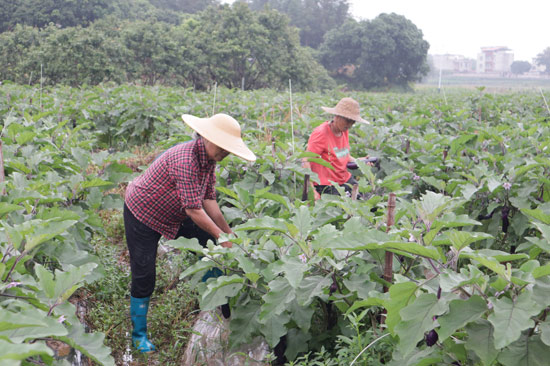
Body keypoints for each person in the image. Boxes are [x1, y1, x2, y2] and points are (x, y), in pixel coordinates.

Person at [123, 113, 256, 353]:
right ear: (205, 138)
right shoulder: (186, 159)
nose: (225, 152)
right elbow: (194, 210)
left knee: (209, 240)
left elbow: (209, 200)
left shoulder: (209, 161)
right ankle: (138, 335)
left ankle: (215, 297)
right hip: (142, 213)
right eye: (221, 146)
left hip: (172, 213)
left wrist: (227, 233)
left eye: (228, 149)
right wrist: (222, 237)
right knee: (144, 275)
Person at [303, 97, 369, 200]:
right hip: (327, 185)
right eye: (348, 120)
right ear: (337, 116)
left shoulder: (343, 131)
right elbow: (306, 160)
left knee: (367, 202)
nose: (350, 125)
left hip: (345, 180)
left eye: (353, 121)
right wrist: (312, 190)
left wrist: (361, 162)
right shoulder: (321, 133)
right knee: (345, 210)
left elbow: (343, 155)